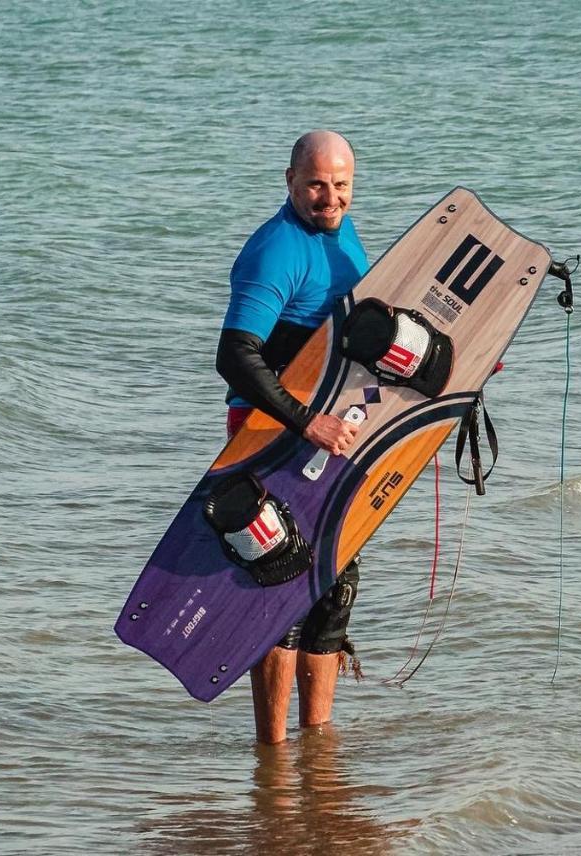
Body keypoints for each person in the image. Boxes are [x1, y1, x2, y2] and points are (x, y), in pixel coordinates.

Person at [216, 130, 369, 745]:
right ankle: (273, 753)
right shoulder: (277, 250)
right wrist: (306, 421)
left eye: (341, 185)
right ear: (289, 180)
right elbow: (234, 356)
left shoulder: (343, 234)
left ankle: (319, 744)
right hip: (270, 438)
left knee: (333, 584)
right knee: (281, 592)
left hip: (331, 433)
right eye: (315, 184)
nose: (329, 198)